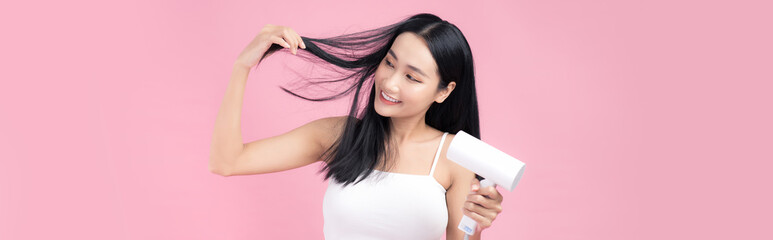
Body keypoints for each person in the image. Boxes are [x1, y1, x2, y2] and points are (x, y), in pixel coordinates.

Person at [210, 13, 505, 240]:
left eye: (412, 77)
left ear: (444, 91)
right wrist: (241, 66)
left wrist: (475, 224)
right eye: (389, 63)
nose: (390, 83)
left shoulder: (456, 157)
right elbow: (227, 161)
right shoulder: (340, 137)